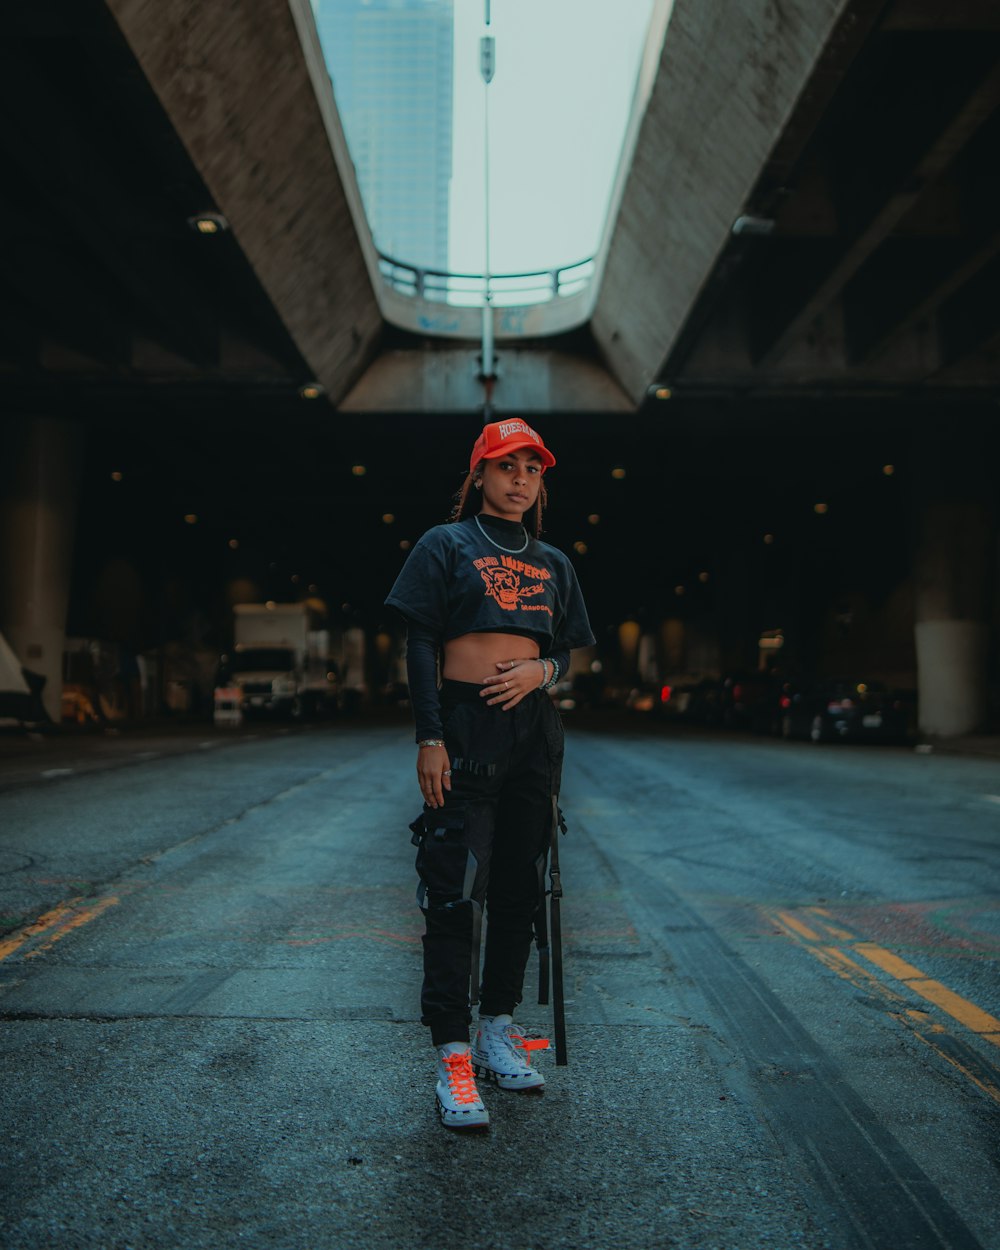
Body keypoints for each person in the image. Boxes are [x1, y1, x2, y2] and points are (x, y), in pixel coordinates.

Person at [385, 419, 595, 1131]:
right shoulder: (446, 545)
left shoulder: (555, 563)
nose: (520, 479)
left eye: (533, 469)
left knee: (516, 890)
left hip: (532, 735)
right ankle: (451, 1053)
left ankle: (496, 1027)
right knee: (450, 893)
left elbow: (574, 654)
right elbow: (419, 640)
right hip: (465, 724)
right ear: (479, 475)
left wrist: (545, 669)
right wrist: (431, 736)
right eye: (507, 466)